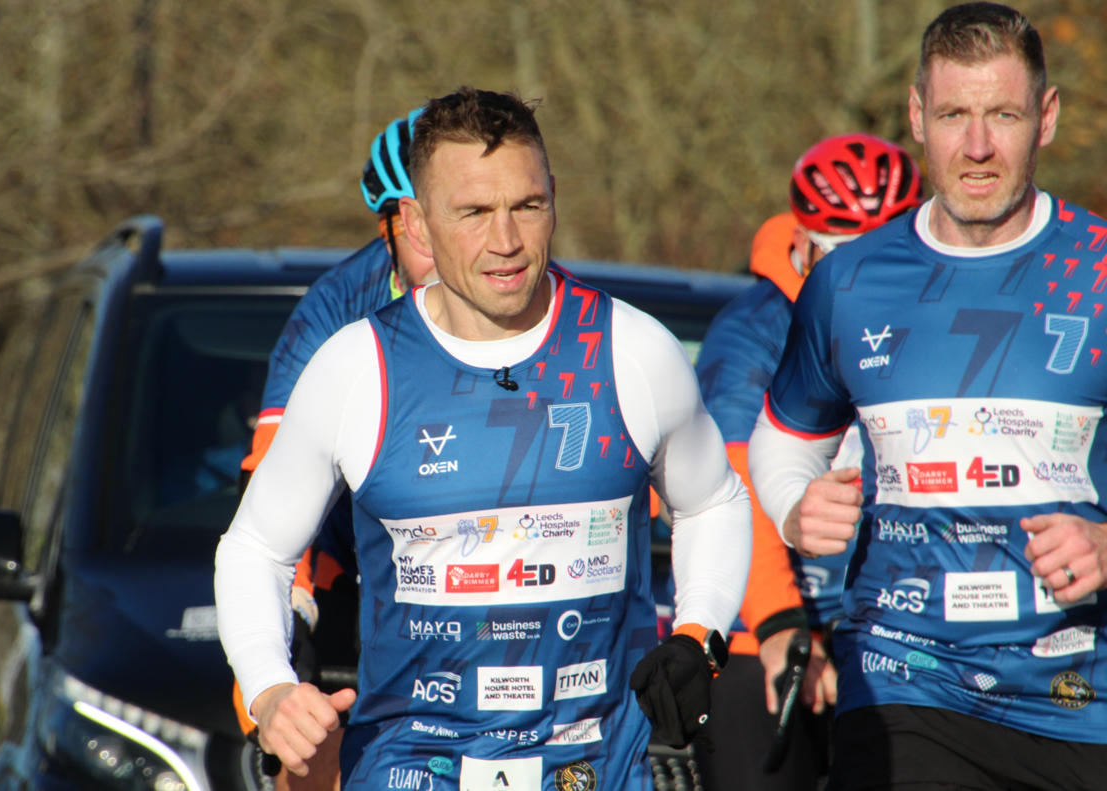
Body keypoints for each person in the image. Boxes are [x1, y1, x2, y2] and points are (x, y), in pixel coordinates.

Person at [216, 86, 752, 790]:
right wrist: (270, 690)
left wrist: (698, 632)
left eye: (527, 206)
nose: (506, 242)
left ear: (553, 197)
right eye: (473, 212)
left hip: (591, 767)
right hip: (411, 765)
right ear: (417, 222)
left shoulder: (632, 348)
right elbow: (255, 547)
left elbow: (713, 500)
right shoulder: (355, 367)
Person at [749, 4, 1107, 789]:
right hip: (903, 683)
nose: (977, 147)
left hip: (1082, 698)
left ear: (1045, 118)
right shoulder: (848, 281)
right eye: (953, 115)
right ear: (917, 115)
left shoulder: (1100, 270)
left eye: (1003, 115)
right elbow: (783, 436)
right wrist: (792, 505)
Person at [693, 134, 922, 790]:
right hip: (761, 634)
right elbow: (731, 489)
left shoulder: (930, 325)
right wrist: (780, 624)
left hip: (883, 632)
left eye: (889, 258)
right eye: (842, 257)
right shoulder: (753, 333)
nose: (865, 282)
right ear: (801, 242)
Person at [228, 110, 437, 787]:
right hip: (349, 541)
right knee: (291, 648)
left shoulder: (523, 289)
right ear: (387, 226)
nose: (441, 245)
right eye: (416, 225)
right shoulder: (332, 310)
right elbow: (270, 474)